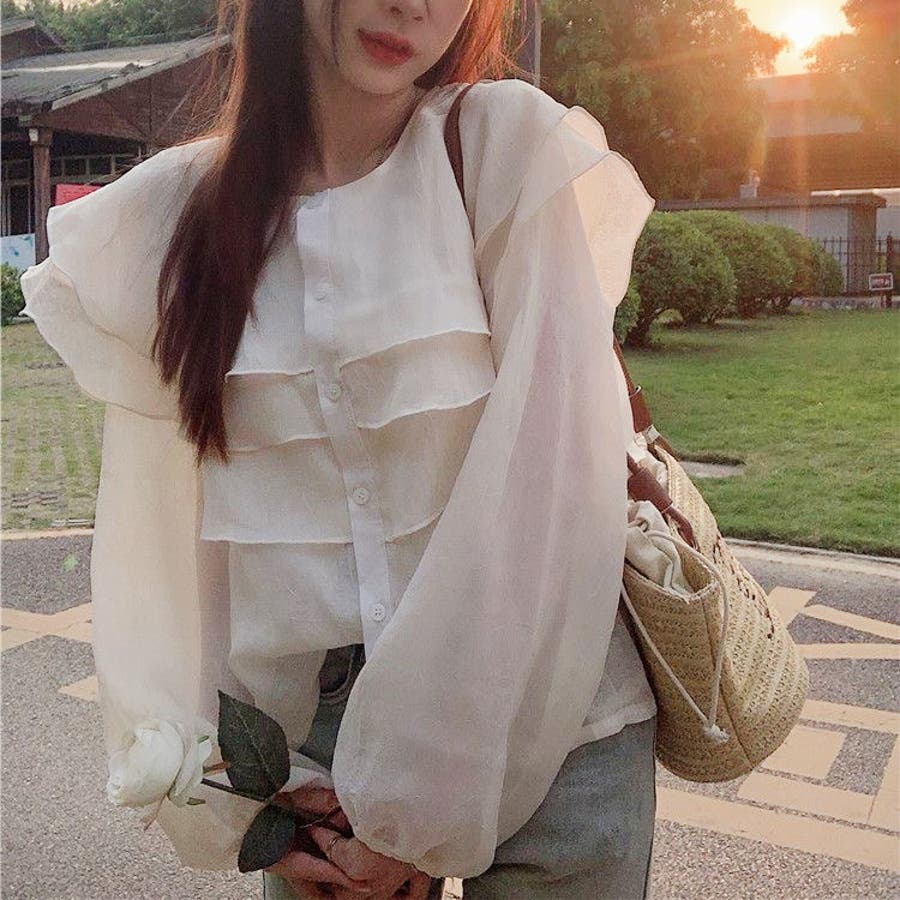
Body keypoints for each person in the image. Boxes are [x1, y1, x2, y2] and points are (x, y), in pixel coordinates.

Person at [19, 0, 660, 897]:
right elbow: (164, 542)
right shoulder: (177, 215)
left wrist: (415, 810)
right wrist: (238, 798)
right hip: (310, 772)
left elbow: (553, 486)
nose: (413, 6)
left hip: (549, 730)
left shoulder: (504, 150)